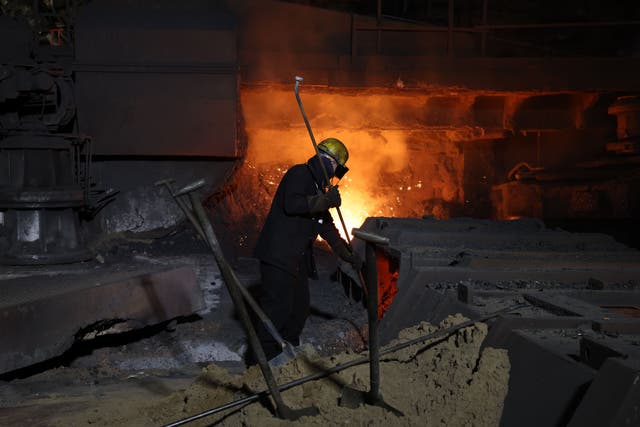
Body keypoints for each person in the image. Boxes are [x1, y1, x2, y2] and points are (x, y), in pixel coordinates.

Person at [251, 137, 362, 365]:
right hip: (278, 255)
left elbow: (327, 227)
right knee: (277, 310)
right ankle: (263, 363)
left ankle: (288, 353)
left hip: (296, 260)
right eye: (337, 170)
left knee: (299, 309)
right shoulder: (299, 174)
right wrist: (324, 200)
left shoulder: (317, 187)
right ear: (330, 162)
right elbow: (292, 205)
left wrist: (347, 254)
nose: (335, 175)